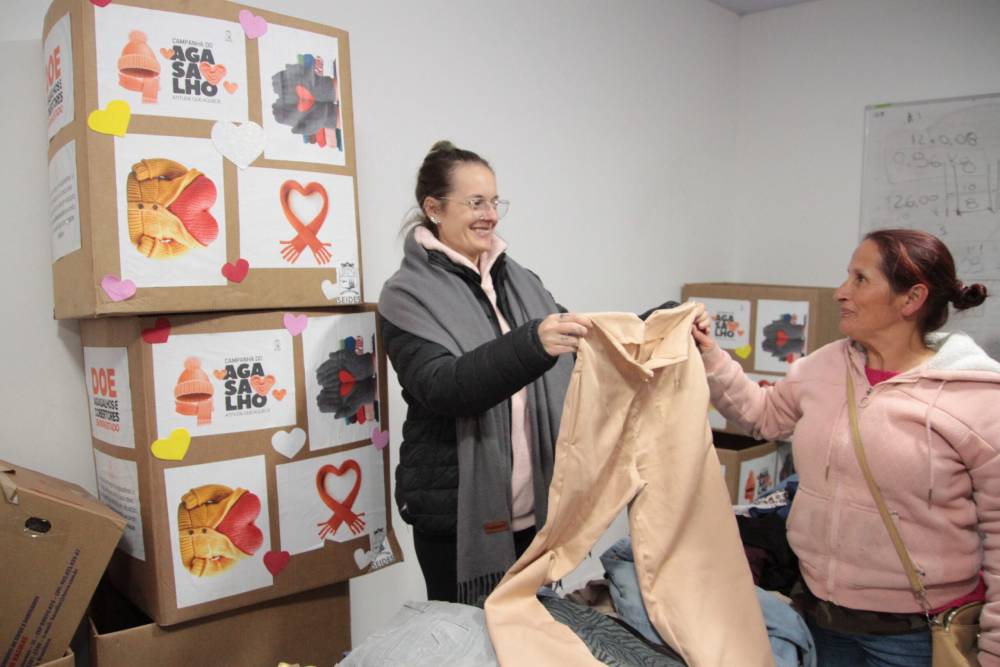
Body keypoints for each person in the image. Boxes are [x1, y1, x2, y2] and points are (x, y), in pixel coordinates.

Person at [691, 229, 999, 666]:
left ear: (911, 299)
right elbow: (764, 415)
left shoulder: (977, 397)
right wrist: (710, 354)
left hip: (916, 637)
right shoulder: (824, 366)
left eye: (860, 279)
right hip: (822, 619)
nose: (841, 292)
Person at [378, 141, 592, 604]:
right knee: (467, 636)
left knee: (530, 633)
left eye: (495, 202)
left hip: (534, 509)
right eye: (476, 202)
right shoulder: (405, 295)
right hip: (454, 515)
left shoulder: (521, 281)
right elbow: (444, 386)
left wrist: (656, 323)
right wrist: (531, 345)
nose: (490, 215)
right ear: (434, 208)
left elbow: (584, 345)